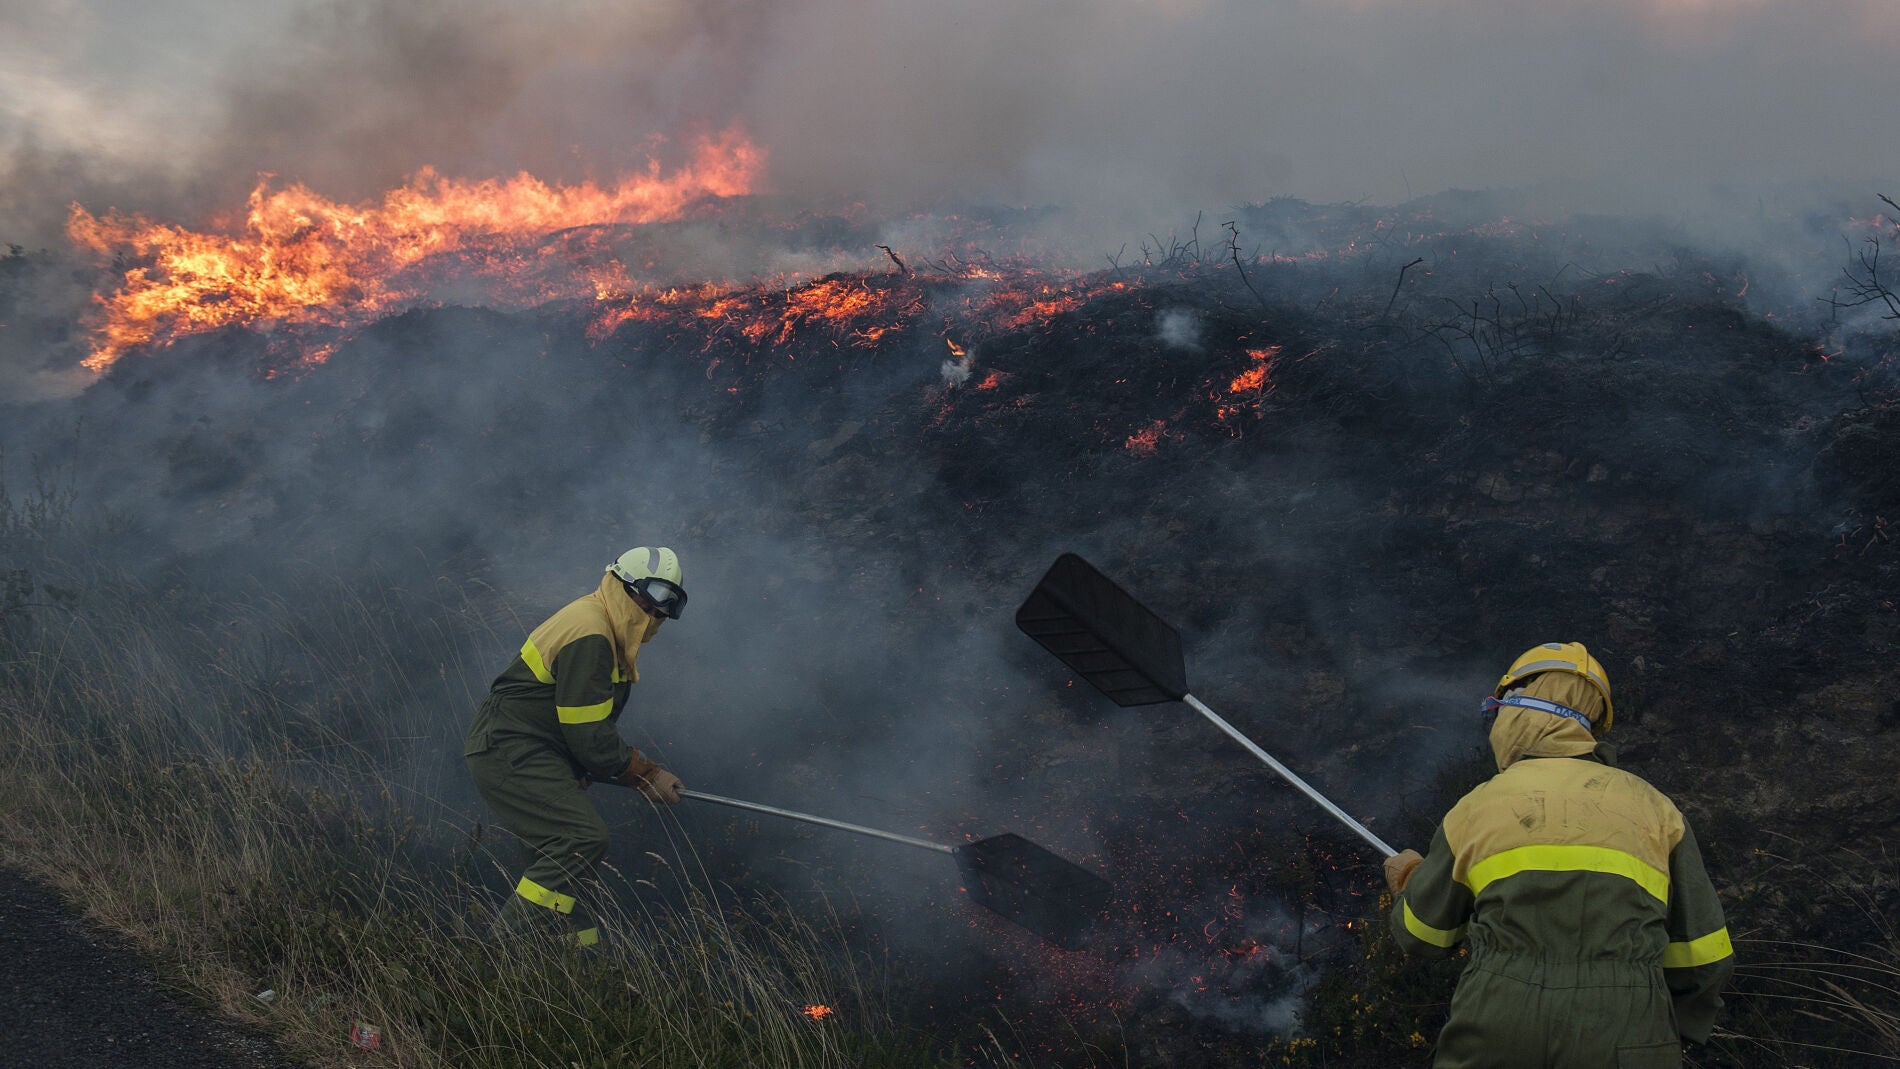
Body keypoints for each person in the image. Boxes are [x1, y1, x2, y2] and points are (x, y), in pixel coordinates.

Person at [1383, 642, 1735, 1067]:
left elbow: (1424, 936)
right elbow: (1704, 955)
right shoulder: (1656, 810)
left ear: (1515, 709)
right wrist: (1661, 1030)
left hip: (1496, 1032)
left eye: (1494, 709)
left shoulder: (1477, 808)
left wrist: (1409, 880)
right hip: (1631, 1034)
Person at [463, 547, 689, 946]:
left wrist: (579, 769)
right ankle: (495, 954)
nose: (655, 612)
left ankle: (577, 963)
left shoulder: (606, 629)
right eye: (650, 597)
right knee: (581, 839)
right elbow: (588, 736)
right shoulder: (591, 632)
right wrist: (646, 775)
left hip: (532, 751)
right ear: (623, 585)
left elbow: (575, 724)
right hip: (509, 750)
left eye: (667, 604)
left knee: (566, 865)